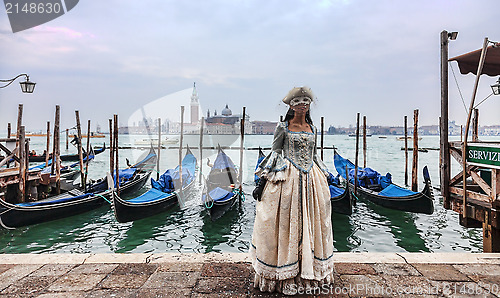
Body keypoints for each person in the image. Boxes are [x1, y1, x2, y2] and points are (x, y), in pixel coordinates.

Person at [249, 86, 335, 295]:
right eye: (298, 102)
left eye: (306, 102)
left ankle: (310, 271)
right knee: (285, 223)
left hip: (312, 179)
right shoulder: (283, 127)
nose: (302, 106)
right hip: (288, 179)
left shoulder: (313, 129)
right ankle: (284, 274)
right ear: (291, 106)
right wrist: (268, 176)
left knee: (313, 221)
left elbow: (314, 156)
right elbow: (275, 152)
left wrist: (325, 173)